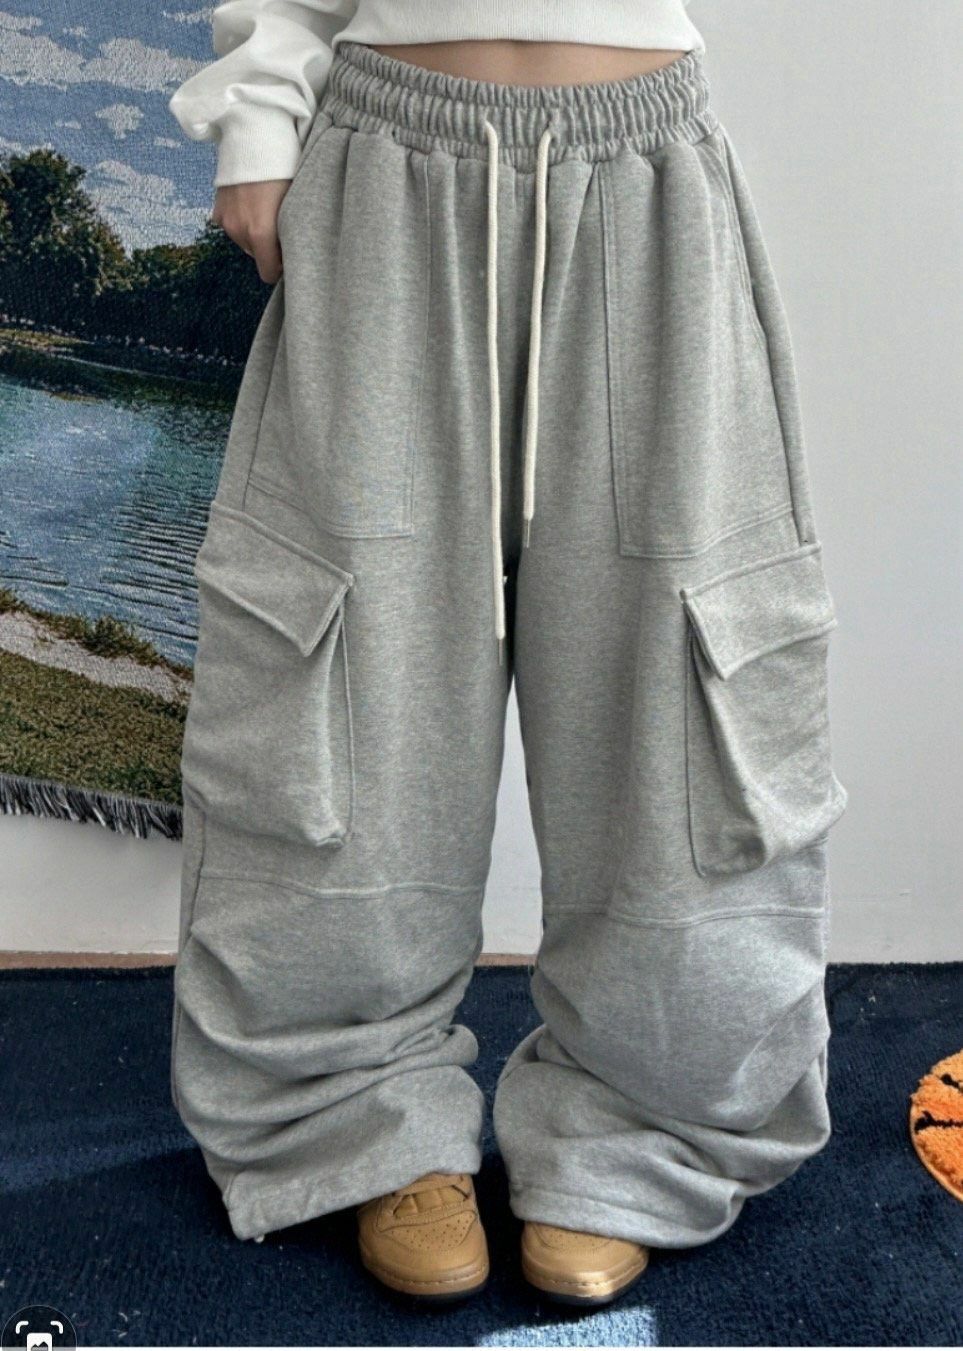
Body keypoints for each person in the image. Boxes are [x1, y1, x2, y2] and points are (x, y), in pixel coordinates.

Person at [166, 0, 848, 1309]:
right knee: (344, 675)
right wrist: (257, 114)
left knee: (683, 685)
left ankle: (641, 1129)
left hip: (648, 182)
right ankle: (358, 1115)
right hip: (383, 178)